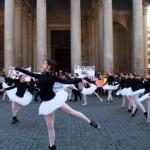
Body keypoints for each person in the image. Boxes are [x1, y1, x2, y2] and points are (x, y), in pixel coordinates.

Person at [10, 59, 100, 150]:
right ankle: (52, 146)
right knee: (50, 127)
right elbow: (27, 73)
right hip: (46, 104)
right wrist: (15, 68)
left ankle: (90, 122)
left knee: (72, 113)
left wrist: (80, 79)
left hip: (55, 99)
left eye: (44, 63)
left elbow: (67, 82)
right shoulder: (39, 76)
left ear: (48, 67)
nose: (42, 64)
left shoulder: (53, 77)